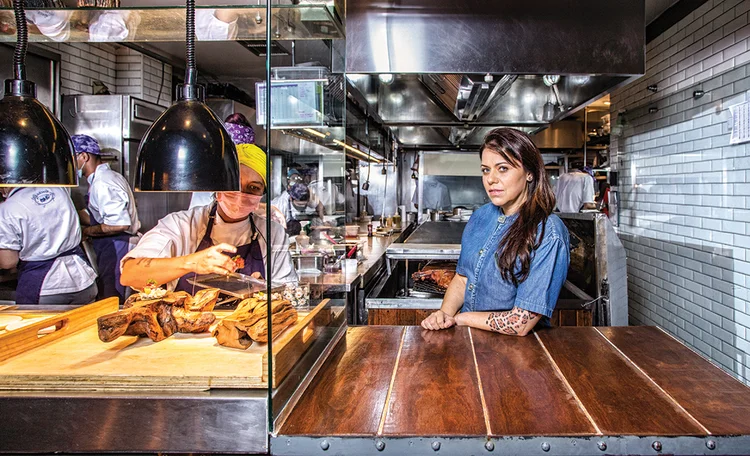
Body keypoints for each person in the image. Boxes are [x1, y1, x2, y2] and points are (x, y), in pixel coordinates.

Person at [421, 128, 570, 336]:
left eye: (502, 168)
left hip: (515, 355)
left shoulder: (548, 232)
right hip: (468, 342)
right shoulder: (480, 216)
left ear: (529, 173)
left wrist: (460, 319)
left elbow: (521, 322)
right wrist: (444, 313)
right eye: (485, 170)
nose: (491, 179)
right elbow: (463, 278)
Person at [120, 143, 297, 292]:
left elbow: (289, 292)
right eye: (233, 184)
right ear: (218, 185)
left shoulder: (272, 233)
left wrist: (263, 290)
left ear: (262, 194)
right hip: (187, 332)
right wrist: (190, 263)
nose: (240, 195)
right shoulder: (181, 225)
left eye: (253, 188)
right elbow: (130, 274)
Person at [0, 187, 98, 304]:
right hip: (83, 278)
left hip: (45, 286)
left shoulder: (7, 209)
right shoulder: (60, 189)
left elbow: (8, 262)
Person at [73, 134, 141, 303]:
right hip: (113, 246)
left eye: (72, 158)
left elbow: (118, 224)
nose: (70, 164)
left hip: (118, 247)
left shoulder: (103, 182)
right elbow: (103, 217)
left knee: (113, 300)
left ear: (84, 156)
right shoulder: (105, 179)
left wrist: (87, 231)